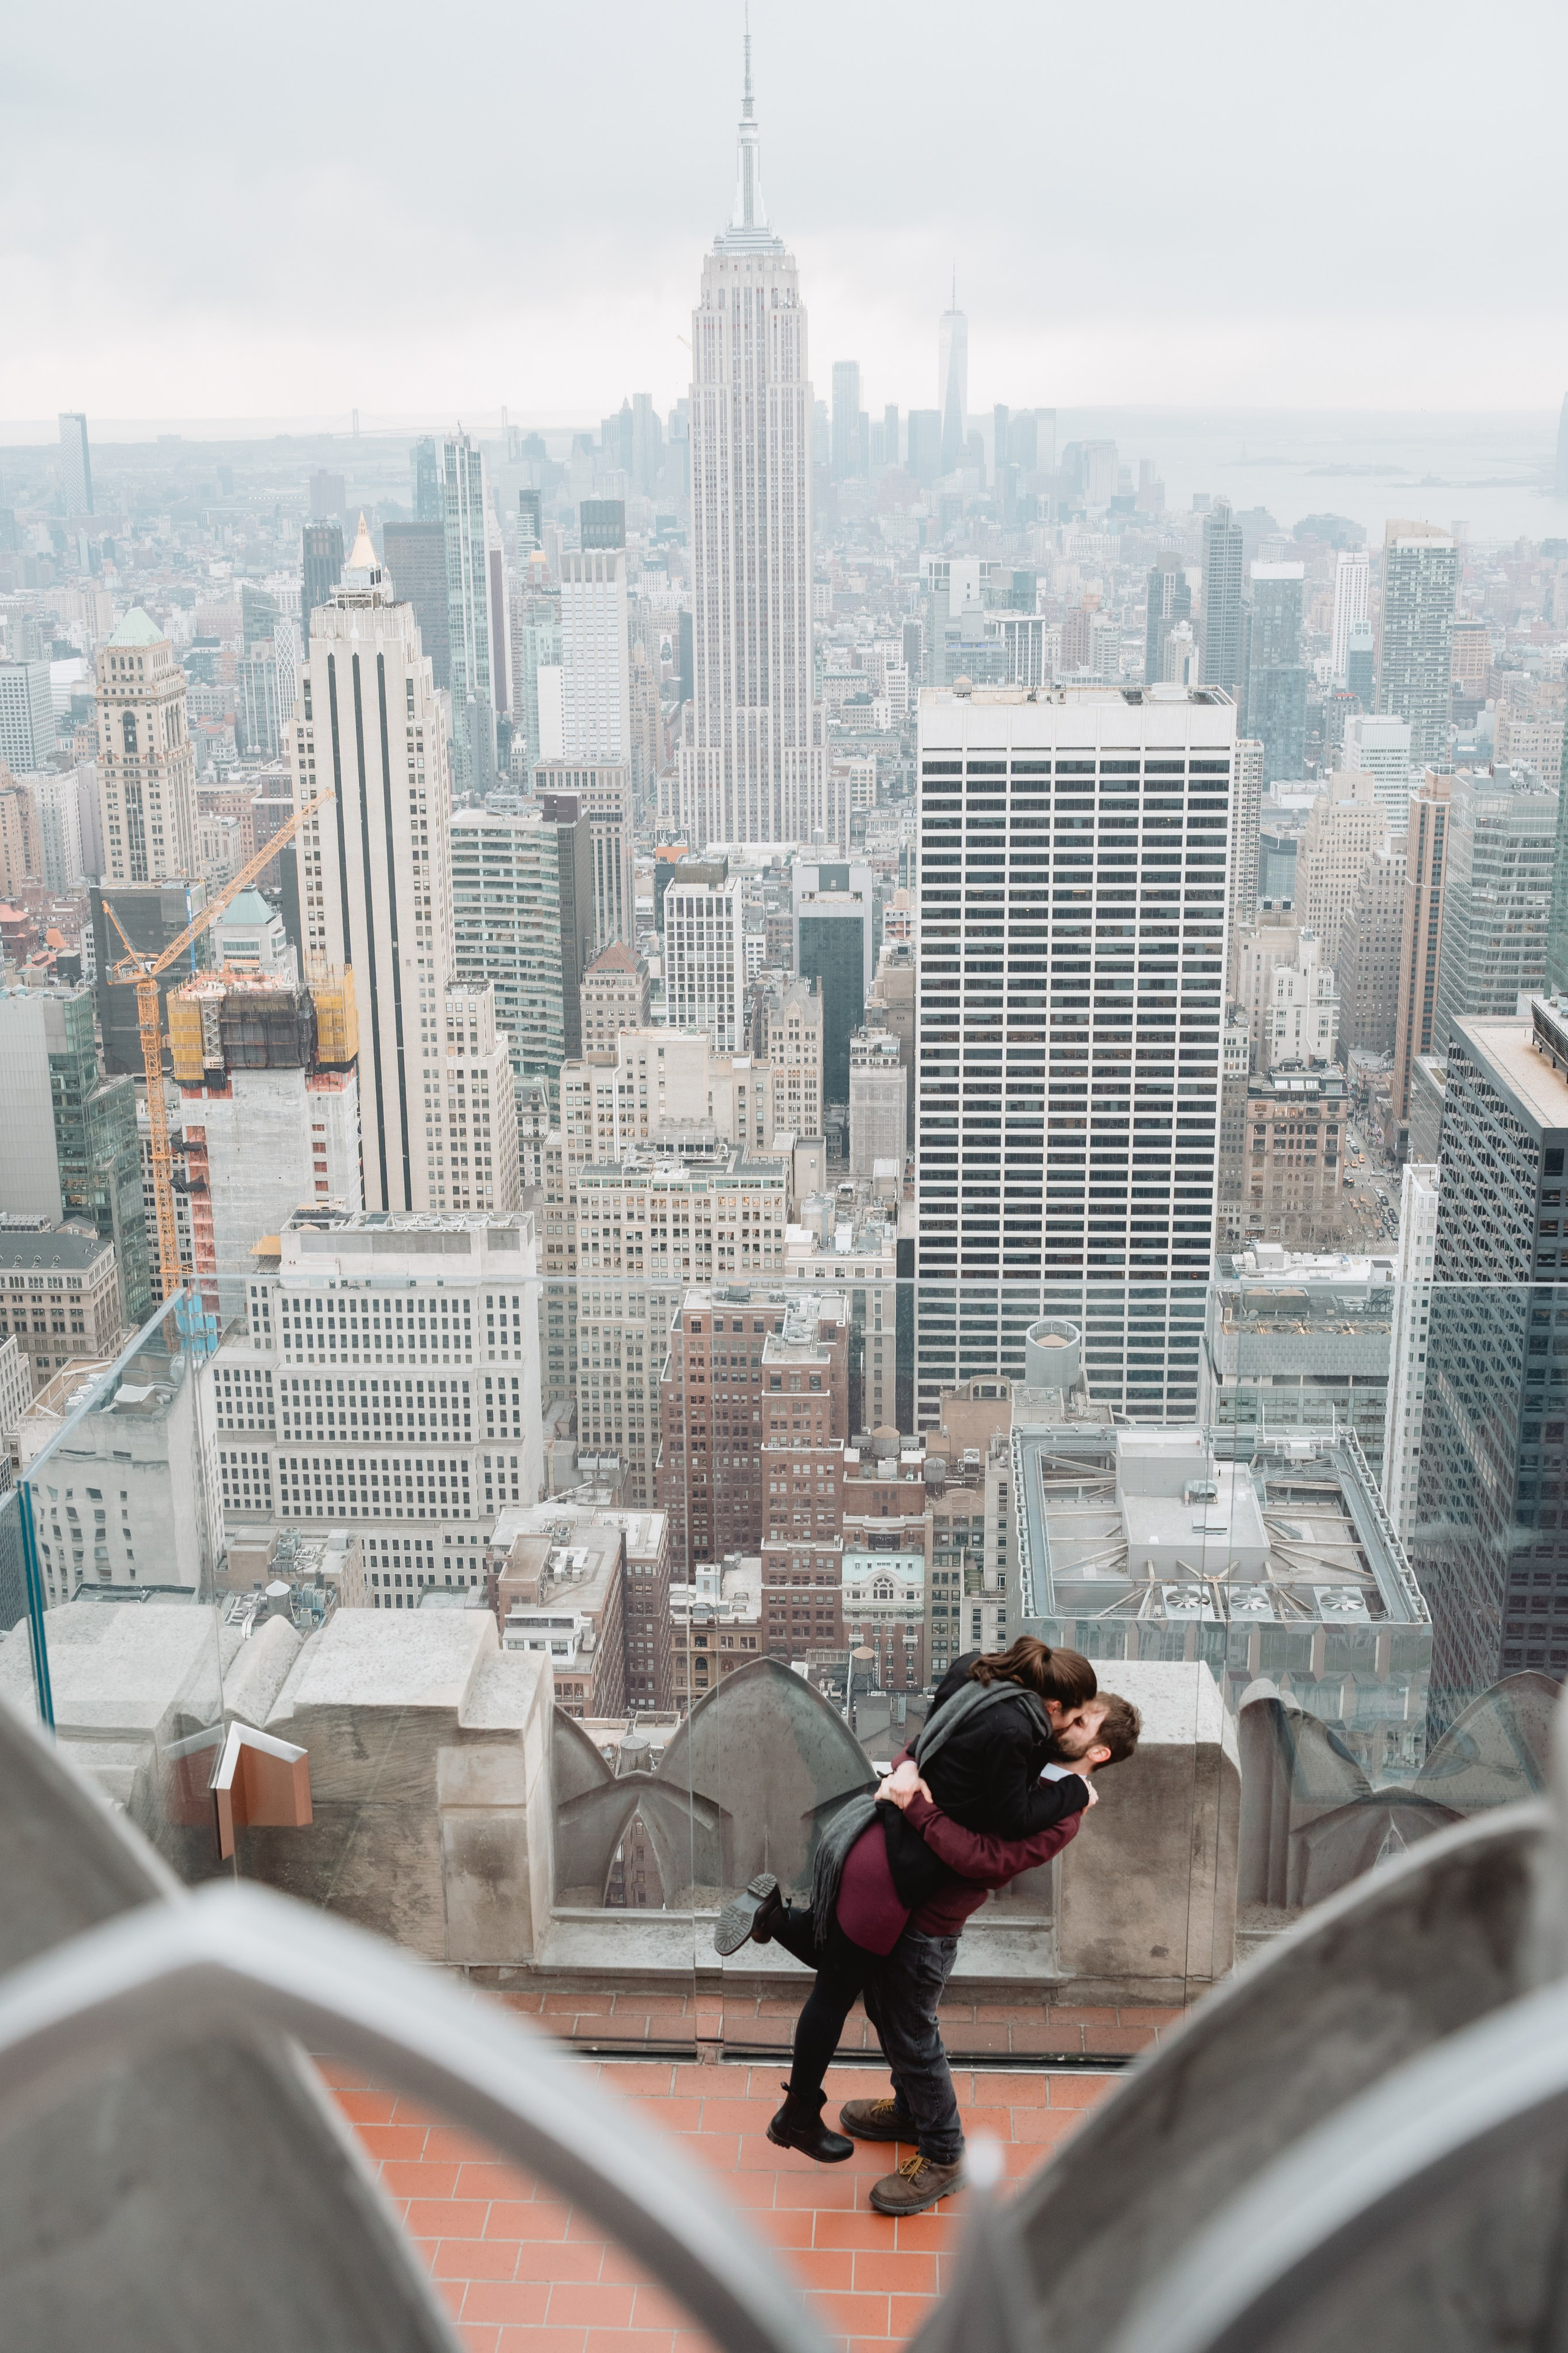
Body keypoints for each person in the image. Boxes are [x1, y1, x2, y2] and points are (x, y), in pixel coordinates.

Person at [713, 1638, 1140, 2214]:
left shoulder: (1061, 1811)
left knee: (910, 2033)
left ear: (1100, 1751)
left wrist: (914, 1802)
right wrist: (910, 1765)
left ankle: (944, 2152)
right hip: (899, 1888)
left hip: (928, 1924)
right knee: (883, 2009)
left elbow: (985, 1860)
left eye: (1084, 1721)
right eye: (1074, 1709)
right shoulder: (1022, 1743)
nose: (1066, 1720)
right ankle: (909, 2112)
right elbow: (939, 1737)